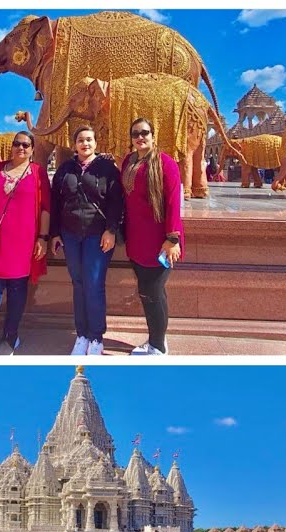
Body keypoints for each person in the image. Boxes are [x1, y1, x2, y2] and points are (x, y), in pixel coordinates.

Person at [50, 125, 124, 356]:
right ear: (74, 144)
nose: (85, 144)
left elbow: (116, 201)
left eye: (89, 140)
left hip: (97, 234)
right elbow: (55, 203)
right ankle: (81, 334)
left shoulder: (107, 169)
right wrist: (54, 234)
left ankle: (96, 336)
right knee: (78, 283)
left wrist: (111, 230)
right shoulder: (65, 169)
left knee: (93, 284)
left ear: (95, 143)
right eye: (81, 140)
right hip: (71, 234)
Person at [0, 130, 50, 355]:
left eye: (26, 145)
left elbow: (46, 208)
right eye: (17, 144)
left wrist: (43, 238)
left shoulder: (38, 173)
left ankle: (10, 337)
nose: (21, 148)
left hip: (24, 245)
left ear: (33, 149)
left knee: (17, 293)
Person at [121, 118, 183, 356]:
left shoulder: (165, 163)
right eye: (135, 133)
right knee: (147, 292)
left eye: (145, 133)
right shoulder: (129, 161)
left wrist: (173, 238)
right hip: (137, 238)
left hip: (161, 240)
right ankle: (156, 340)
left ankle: (157, 345)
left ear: (153, 135)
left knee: (153, 291)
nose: (140, 137)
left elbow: (173, 200)